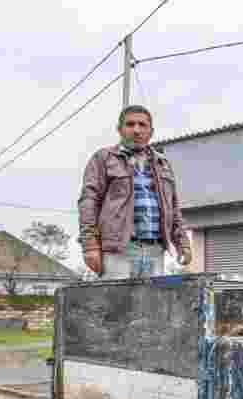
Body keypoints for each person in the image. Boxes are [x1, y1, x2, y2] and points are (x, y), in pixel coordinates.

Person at [77, 104, 192, 280]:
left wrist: (183, 242)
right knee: (117, 305)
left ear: (151, 131)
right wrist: (90, 246)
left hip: (155, 250)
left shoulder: (163, 164)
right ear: (120, 129)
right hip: (119, 250)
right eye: (130, 124)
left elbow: (174, 208)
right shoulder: (104, 158)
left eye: (142, 125)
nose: (136, 130)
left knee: (150, 306)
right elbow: (88, 201)